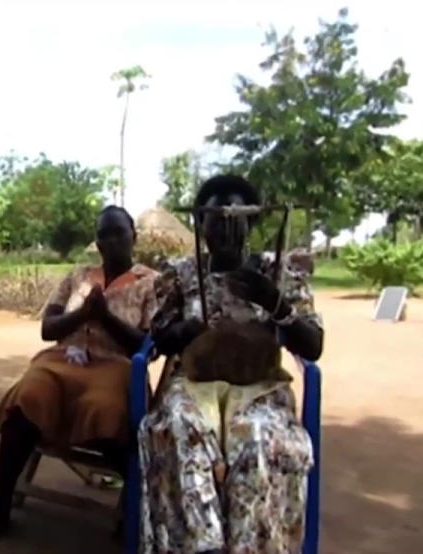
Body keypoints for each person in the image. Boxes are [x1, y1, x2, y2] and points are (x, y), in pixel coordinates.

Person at [139, 175, 324, 554]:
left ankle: (249, 546)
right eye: (214, 218)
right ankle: (198, 545)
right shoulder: (182, 273)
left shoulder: (278, 272)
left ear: (252, 222)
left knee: (255, 437)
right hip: (193, 380)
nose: (224, 226)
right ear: (199, 224)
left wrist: (277, 304)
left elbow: (314, 346)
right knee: (179, 426)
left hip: (260, 386)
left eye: (235, 217)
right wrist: (183, 331)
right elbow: (157, 338)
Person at [0, 206, 159, 542]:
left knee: (105, 410)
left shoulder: (151, 284)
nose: (111, 241)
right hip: (62, 360)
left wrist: (105, 318)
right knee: (27, 397)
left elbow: (147, 345)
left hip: (115, 367)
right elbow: (48, 328)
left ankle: (136, 503)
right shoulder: (79, 275)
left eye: (118, 232)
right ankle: (1, 503)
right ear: (96, 243)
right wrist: (84, 313)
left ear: (134, 237)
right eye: (103, 234)